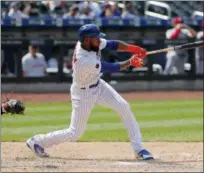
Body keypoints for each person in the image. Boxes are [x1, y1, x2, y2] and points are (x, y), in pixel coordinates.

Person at [26, 24, 153, 160]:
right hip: (83, 94)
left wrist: (135, 49)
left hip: (98, 85)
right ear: (87, 40)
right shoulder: (84, 60)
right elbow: (111, 67)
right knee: (74, 133)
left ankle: (139, 149)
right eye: (96, 38)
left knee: (123, 106)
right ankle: (37, 141)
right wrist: (130, 61)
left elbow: (113, 44)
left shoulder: (91, 43)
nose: (99, 40)